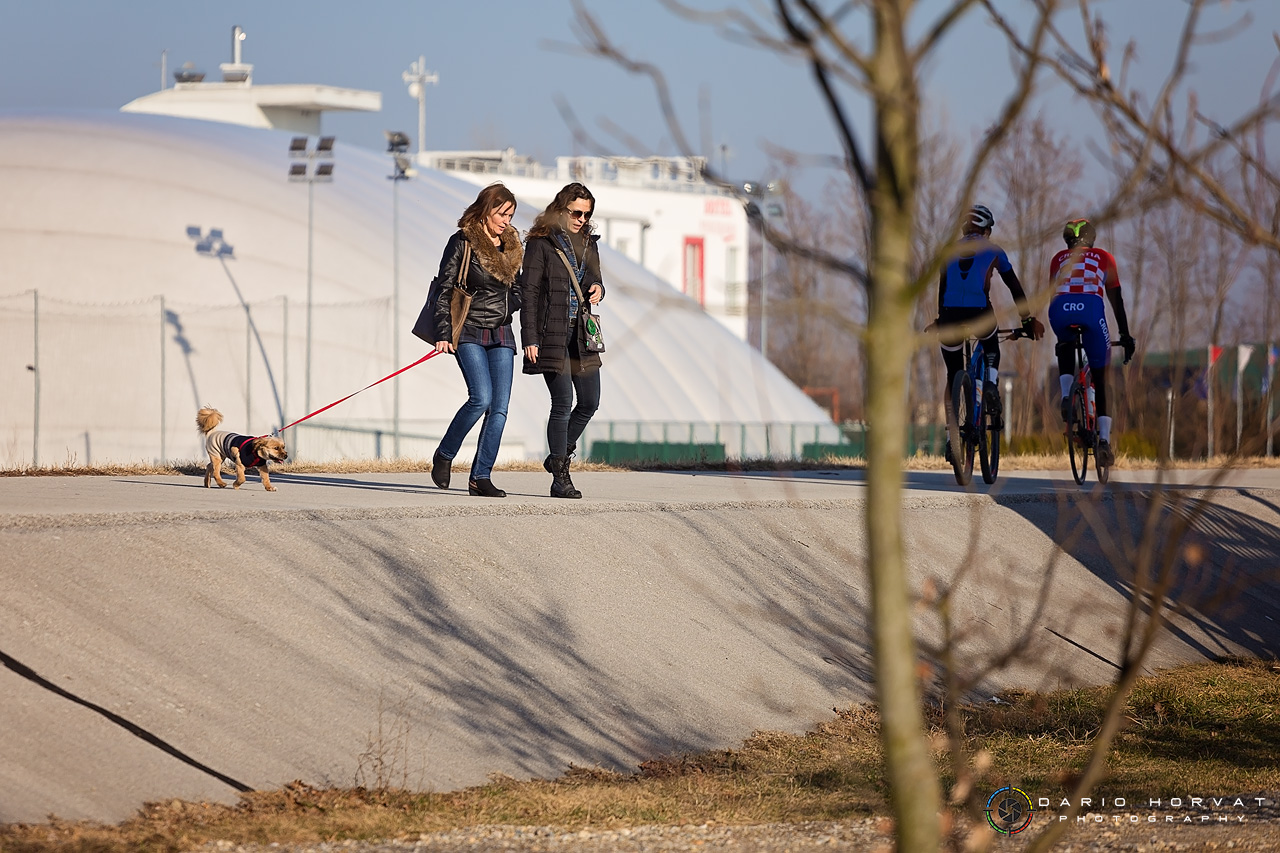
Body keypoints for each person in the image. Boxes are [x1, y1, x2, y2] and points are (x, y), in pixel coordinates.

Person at [429, 183, 524, 498]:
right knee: (480, 398)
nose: (506, 221)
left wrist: (512, 303)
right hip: (469, 329)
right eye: (502, 213)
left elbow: (519, 289)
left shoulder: (511, 246)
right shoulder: (463, 242)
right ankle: (444, 454)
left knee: (500, 408)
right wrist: (443, 334)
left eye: (510, 214)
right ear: (486, 210)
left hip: (502, 331)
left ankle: (480, 476)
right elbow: (444, 288)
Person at [934, 204, 1043, 454]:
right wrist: (1026, 321)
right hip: (979, 314)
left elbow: (942, 290)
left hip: (949, 315)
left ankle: (952, 441)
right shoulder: (994, 250)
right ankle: (991, 383)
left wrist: (940, 319)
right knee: (991, 342)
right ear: (986, 230)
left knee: (953, 375)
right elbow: (1015, 288)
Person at [519, 182, 605, 499]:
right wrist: (530, 337)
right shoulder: (541, 244)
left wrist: (598, 288)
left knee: (590, 402)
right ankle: (561, 476)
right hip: (551, 333)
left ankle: (556, 456)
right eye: (576, 212)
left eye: (587, 214)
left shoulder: (589, 244)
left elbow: (594, 279)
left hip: (582, 334)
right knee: (562, 403)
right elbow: (527, 294)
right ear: (562, 208)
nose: (582, 219)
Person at [1047, 218, 1135, 467]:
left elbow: (1053, 292)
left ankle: (1066, 395)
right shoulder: (1105, 257)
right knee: (1101, 377)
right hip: (1091, 310)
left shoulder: (1058, 258)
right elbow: (1116, 301)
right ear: (1092, 239)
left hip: (1059, 310)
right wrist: (1125, 335)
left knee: (1064, 343)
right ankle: (1104, 441)